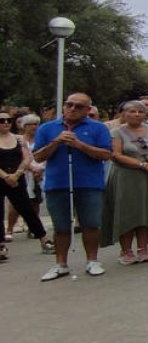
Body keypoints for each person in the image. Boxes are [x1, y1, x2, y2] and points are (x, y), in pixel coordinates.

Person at [33, 92, 114, 280]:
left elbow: (105, 154)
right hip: (58, 183)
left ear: (87, 109)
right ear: (63, 106)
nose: (72, 109)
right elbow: (38, 156)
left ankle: (92, 260)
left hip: (89, 183)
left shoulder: (98, 128)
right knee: (61, 226)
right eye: (69, 104)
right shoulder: (48, 128)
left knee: (91, 224)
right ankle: (61, 263)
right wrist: (57, 142)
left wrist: (79, 144)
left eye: (79, 106)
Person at [100, 100, 148, 264]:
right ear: (123, 114)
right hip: (127, 177)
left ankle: (143, 248)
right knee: (127, 212)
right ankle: (126, 250)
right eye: (132, 111)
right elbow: (116, 154)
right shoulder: (116, 132)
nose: (136, 114)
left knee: (146, 211)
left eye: (140, 111)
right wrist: (143, 165)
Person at [0, 111, 54, 258]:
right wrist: (6, 176)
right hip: (2, 177)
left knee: (27, 209)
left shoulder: (18, 139)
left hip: (17, 178)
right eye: (2, 120)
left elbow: (27, 157)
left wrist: (17, 174)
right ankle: (1, 245)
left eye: (8, 120)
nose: (5, 123)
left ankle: (43, 239)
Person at [6, 115, 46, 240]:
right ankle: (9, 229)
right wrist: (31, 169)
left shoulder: (41, 140)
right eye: (31, 124)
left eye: (36, 124)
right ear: (24, 126)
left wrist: (40, 168)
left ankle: (33, 229)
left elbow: (45, 155)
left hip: (39, 173)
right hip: (23, 173)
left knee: (35, 202)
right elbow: (19, 158)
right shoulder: (19, 140)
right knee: (17, 204)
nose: (34, 127)